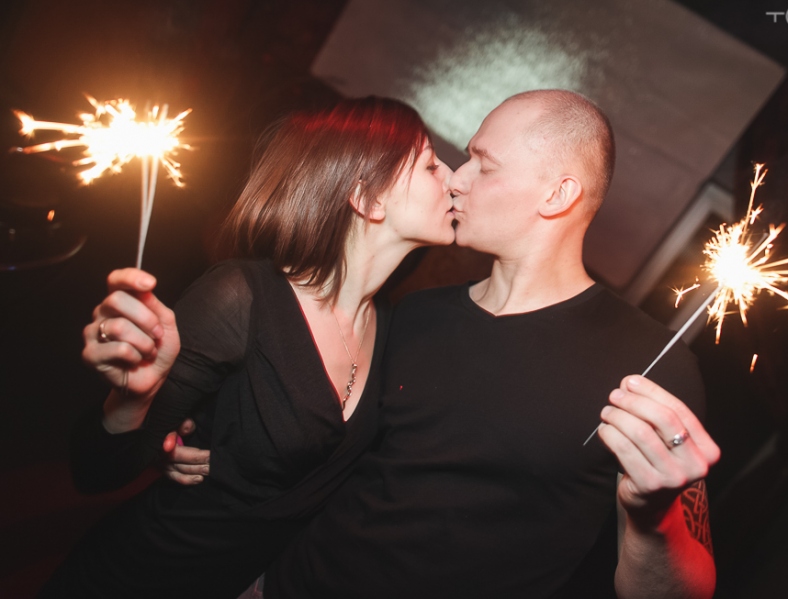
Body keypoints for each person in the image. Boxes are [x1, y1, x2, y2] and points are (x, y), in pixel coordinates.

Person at [87, 90, 720, 598]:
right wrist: (177, 430)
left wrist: (655, 518)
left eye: (483, 165)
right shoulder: (411, 317)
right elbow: (305, 428)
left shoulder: (652, 370)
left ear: (557, 194)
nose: (457, 179)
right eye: (457, 161)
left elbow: (685, 590)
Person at [38, 96, 456, 598]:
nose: (452, 178)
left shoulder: (388, 325)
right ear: (368, 200)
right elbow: (95, 472)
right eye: (431, 165)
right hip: (137, 576)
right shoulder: (239, 298)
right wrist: (134, 400)